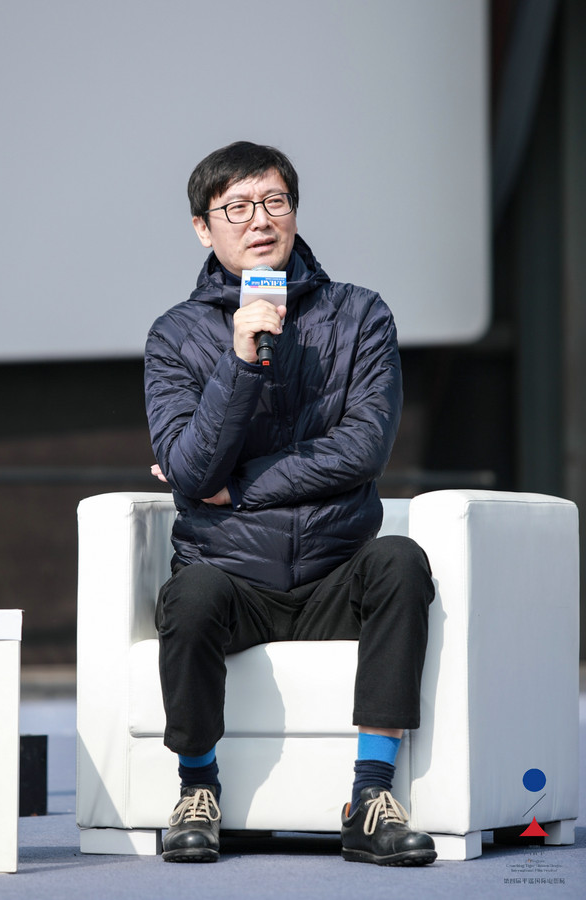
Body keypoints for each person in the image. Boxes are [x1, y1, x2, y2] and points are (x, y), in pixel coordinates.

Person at [145, 141, 436, 867]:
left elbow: (363, 450)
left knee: (400, 562)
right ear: (202, 228)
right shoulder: (175, 335)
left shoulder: (361, 315)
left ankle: (371, 797)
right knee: (190, 595)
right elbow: (191, 466)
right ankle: (197, 789)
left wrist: (235, 488)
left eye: (274, 201)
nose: (260, 220)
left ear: (295, 213)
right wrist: (240, 360)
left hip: (335, 570)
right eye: (237, 207)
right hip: (232, 576)